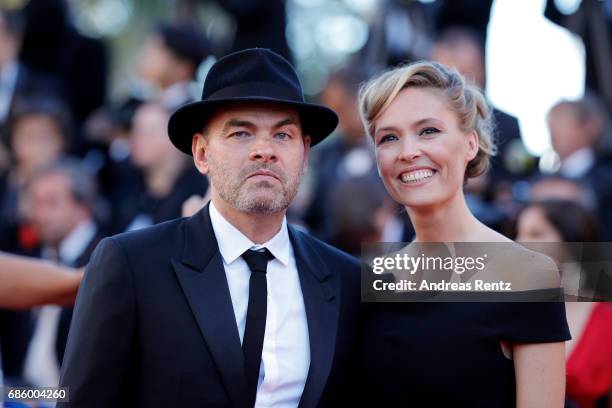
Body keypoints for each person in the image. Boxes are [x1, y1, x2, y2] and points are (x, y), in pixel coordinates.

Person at [58, 48, 360, 407]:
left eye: (282, 136)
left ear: (305, 153)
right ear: (201, 153)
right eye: (241, 134)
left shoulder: (346, 278)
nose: (264, 150)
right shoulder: (131, 264)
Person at [357, 60, 570, 406]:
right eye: (389, 138)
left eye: (428, 131)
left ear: (470, 144)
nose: (408, 151)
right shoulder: (372, 279)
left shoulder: (528, 275)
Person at [515, 200, 612, 407]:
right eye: (518, 233)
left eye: (536, 234)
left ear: (570, 239)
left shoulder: (606, 322)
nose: (520, 243)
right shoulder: (508, 309)